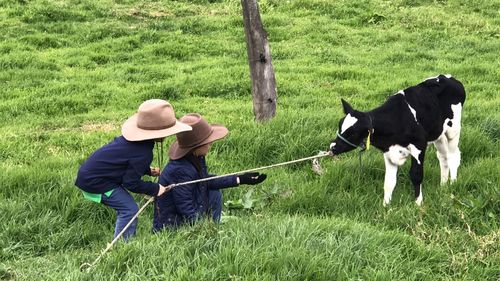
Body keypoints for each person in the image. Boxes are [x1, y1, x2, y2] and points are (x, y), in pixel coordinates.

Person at [75, 99, 191, 240]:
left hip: (90, 175)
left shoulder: (134, 144)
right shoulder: (143, 153)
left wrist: (147, 170)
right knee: (129, 209)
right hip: (96, 182)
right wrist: (155, 189)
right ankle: (121, 247)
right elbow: (131, 183)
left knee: (129, 207)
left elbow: (123, 163)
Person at [153, 113, 267, 231]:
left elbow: (206, 180)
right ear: (196, 147)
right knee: (210, 194)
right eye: (208, 142)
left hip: (188, 209)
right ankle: (212, 227)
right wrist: (204, 229)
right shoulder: (180, 169)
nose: (210, 144)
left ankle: (213, 224)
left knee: (214, 192)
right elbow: (184, 206)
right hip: (172, 225)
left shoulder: (195, 158)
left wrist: (241, 179)